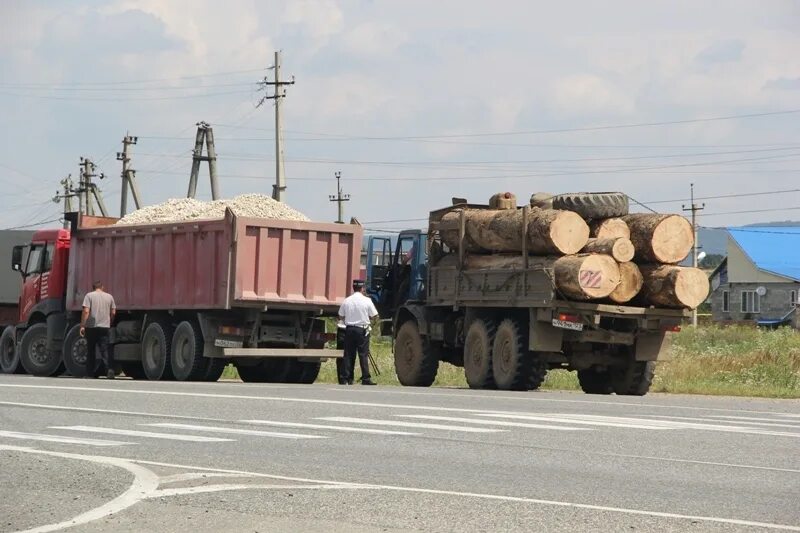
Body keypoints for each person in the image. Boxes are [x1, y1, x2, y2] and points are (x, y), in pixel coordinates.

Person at [338, 279, 378, 385]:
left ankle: (346, 378)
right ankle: (365, 378)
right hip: (362, 329)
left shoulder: (347, 300)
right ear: (362, 288)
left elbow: (341, 315)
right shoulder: (367, 300)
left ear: (353, 288)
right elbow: (374, 316)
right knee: (363, 354)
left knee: (348, 354)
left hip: (349, 329)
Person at [80, 281, 116, 379]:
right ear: (102, 287)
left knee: (91, 350)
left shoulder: (89, 296)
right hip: (105, 327)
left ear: (93, 287)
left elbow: (86, 311)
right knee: (105, 350)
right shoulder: (109, 297)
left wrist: (83, 325)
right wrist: (110, 321)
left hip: (92, 327)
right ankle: (109, 370)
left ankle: (89, 374)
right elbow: (113, 312)